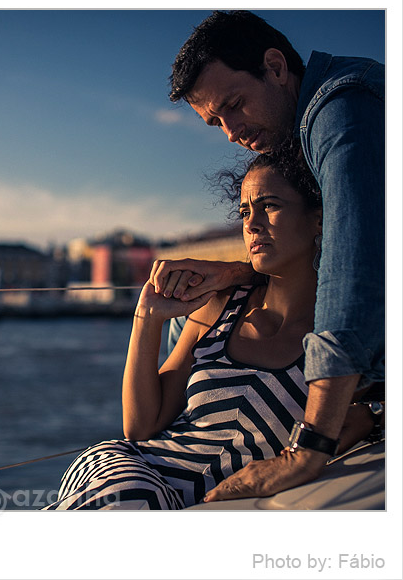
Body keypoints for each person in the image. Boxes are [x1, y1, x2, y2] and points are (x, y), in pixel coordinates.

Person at [46, 144, 360, 510]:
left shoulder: (338, 332)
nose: (252, 224)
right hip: (134, 476)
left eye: (270, 206)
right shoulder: (220, 307)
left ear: (318, 219)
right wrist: (147, 318)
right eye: (245, 211)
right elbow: (140, 427)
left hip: (192, 507)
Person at [152, 10, 384, 502]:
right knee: (200, 315)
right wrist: (239, 271)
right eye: (216, 121)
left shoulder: (342, 108)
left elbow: (353, 268)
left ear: (276, 67)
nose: (232, 133)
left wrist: (308, 449)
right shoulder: (313, 123)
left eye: (234, 105)